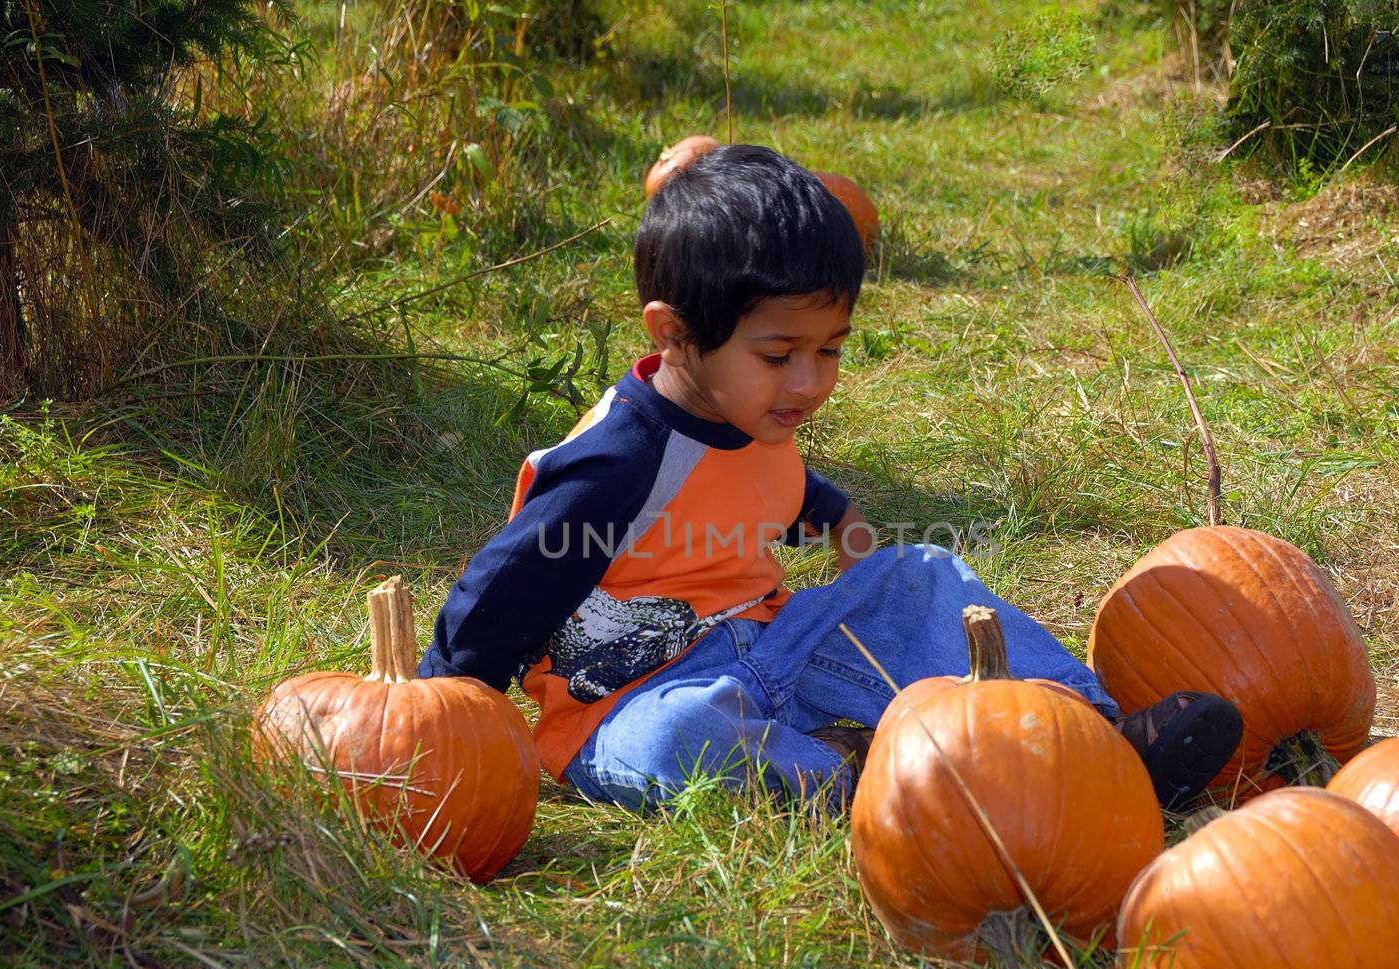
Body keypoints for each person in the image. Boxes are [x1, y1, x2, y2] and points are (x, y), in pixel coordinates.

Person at [419, 144, 1242, 812]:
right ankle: (866, 781)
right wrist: (444, 705)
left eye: (830, 349)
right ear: (674, 336)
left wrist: (841, 522)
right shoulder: (616, 462)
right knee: (677, 744)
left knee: (920, 577)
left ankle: (1097, 739)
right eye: (779, 355)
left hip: (776, 643)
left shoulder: (756, 412)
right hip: (639, 697)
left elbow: (776, 489)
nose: (809, 382)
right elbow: (506, 584)